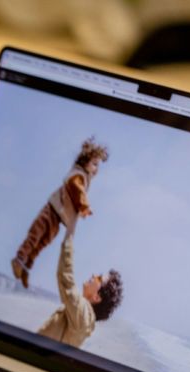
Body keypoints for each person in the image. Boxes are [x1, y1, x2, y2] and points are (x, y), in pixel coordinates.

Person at [12, 137, 109, 288]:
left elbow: (79, 194)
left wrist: (81, 209)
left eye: (98, 166)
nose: (96, 168)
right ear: (85, 161)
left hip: (59, 218)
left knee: (43, 242)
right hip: (51, 210)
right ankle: (19, 259)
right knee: (35, 234)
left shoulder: (85, 179)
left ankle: (27, 267)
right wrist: (84, 206)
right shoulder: (78, 174)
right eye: (94, 164)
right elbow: (76, 189)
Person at [37, 215, 124, 348]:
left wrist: (69, 235)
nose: (94, 275)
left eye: (99, 278)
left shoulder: (84, 318)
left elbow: (66, 280)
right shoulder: (81, 316)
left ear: (96, 297)